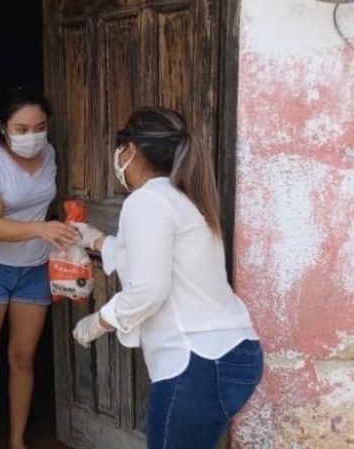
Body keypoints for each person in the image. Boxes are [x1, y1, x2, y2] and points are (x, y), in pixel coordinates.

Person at [71, 107, 263, 449]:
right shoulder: (182, 197)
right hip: (226, 353)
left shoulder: (146, 200)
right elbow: (156, 260)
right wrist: (95, 239)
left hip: (198, 360)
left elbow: (148, 289)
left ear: (129, 149)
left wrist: (99, 321)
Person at [0, 87, 79, 449]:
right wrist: (41, 229)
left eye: (39, 127)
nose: (32, 136)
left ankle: (17, 440)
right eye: (21, 129)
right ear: (3, 127)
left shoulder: (48, 153)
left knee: (22, 357)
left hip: (35, 268)